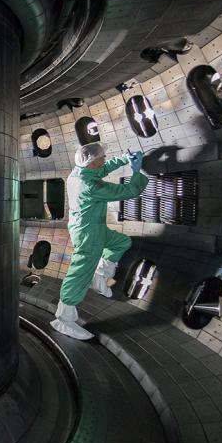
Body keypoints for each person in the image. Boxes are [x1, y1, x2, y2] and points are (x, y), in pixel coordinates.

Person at [51, 143, 148, 340]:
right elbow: (128, 191)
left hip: (92, 227)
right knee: (78, 274)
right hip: (88, 234)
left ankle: (100, 275)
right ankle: (64, 320)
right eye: (102, 157)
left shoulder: (79, 173)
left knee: (121, 242)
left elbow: (102, 168)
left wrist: (124, 159)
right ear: (92, 161)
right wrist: (137, 171)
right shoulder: (91, 185)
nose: (104, 159)